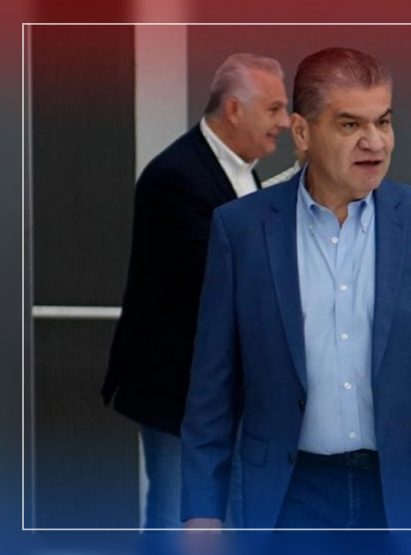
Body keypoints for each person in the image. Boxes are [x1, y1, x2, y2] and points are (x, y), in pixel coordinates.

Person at [179, 47, 411, 530]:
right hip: (290, 499)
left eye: (383, 121)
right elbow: (212, 387)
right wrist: (201, 511)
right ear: (301, 132)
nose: (373, 142)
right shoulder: (242, 230)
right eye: (350, 124)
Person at [100, 53, 289, 528]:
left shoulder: (241, 171)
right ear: (234, 109)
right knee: (178, 517)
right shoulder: (176, 177)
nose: (285, 123)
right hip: (178, 393)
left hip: (226, 395)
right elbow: (227, 273)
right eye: (274, 109)